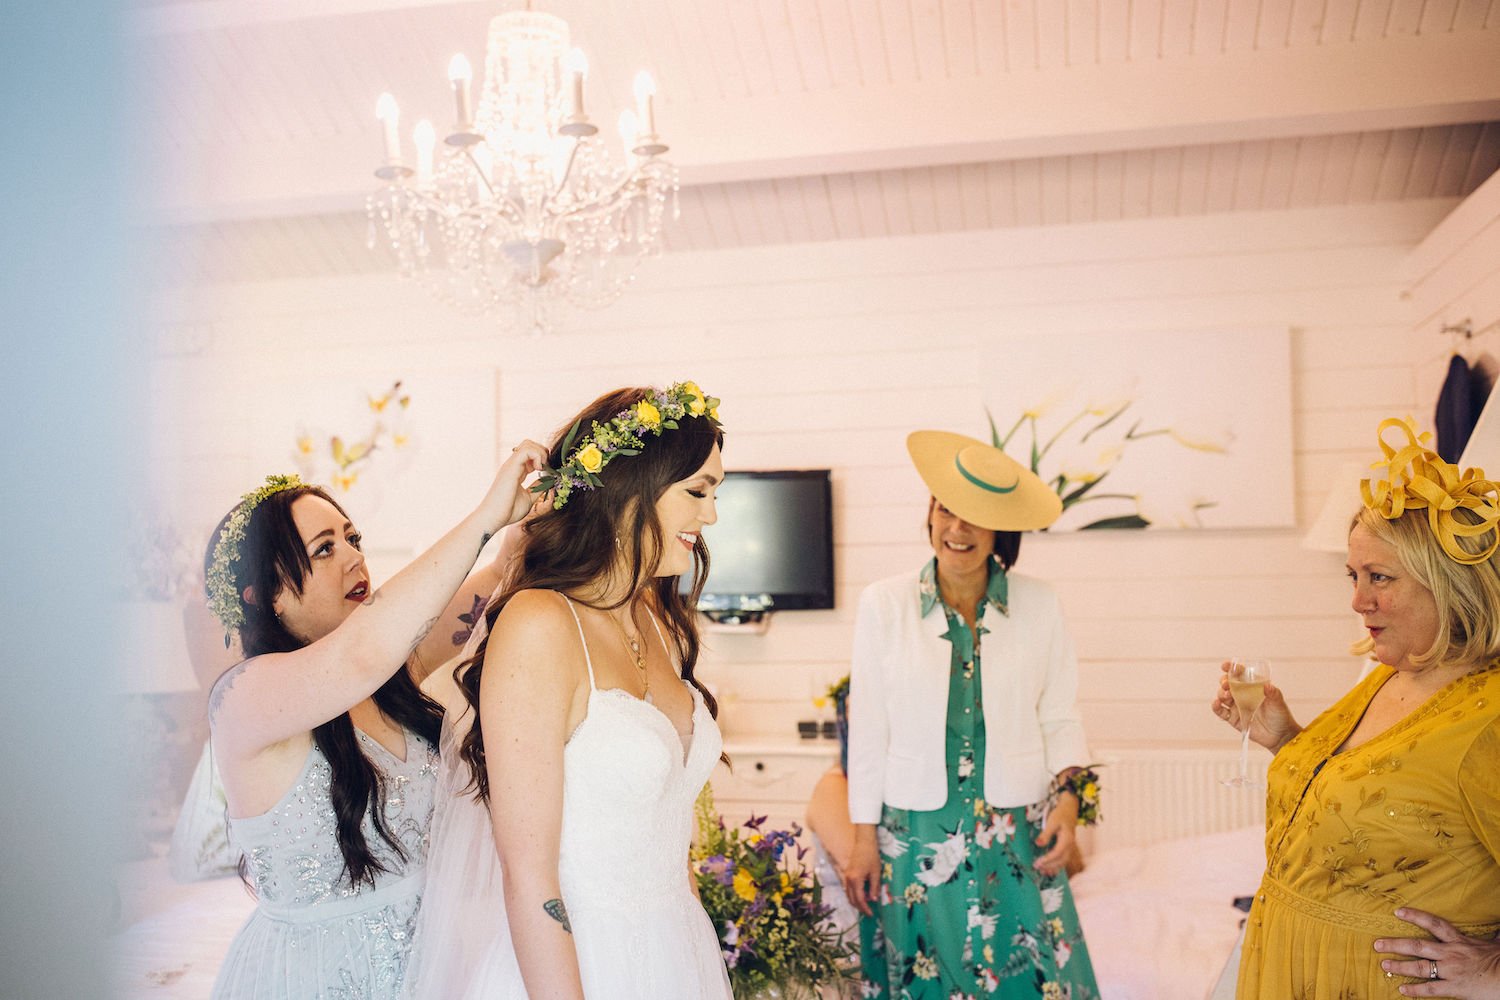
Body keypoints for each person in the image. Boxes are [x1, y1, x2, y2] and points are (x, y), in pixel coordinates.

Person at [402, 381, 733, 1000]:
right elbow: (529, 877)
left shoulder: (657, 620)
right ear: (631, 493)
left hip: (675, 950)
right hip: (576, 963)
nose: (710, 515)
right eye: (697, 492)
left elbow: (671, 841)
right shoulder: (540, 624)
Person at [206, 440, 548, 1000]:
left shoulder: (389, 676)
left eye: (353, 538)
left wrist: (527, 516)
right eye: (323, 549)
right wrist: (485, 517)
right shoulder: (244, 697)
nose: (353, 557)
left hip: (434, 965)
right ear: (264, 596)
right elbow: (360, 654)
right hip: (316, 978)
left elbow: (490, 583)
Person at [1212, 416, 1500, 999]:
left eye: (1380, 577)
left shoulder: (1489, 720)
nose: (1358, 600)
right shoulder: (1391, 672)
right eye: (1354, 574)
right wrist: (1282, 736)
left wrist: (1493, 971)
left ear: (1450, 583)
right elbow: (1364, 809)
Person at [843, 430, 1101, 999]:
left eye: (974, 519)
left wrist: (1069, 802)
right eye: (945, 511)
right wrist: (863, 838)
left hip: (1015, 825)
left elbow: (1061, 716)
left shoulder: (1041, 604)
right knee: (925, 975)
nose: (956, 530)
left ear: (999, 532)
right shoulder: (883, 605)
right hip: (914, 830)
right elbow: (869, 733)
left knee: (1026, 976)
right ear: (930, 514)